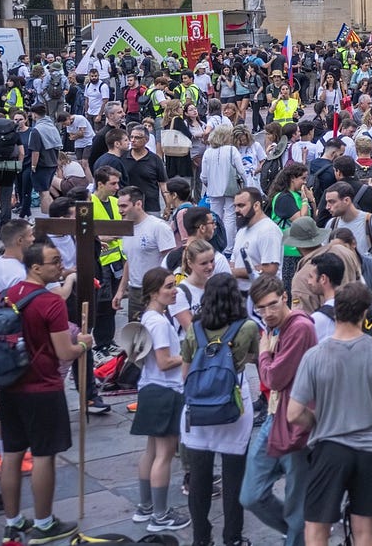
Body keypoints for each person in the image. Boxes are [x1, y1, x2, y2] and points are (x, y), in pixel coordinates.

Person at [289, 281, 372, 546]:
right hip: (371, 450)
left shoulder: (314, 356)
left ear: (336, 311)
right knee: (364, 528)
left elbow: (294, 413)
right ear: (365, 313)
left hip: (330, 448)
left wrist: (318, 422)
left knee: (316, 527)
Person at [0, 241, 92, 544]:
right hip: (43, 388)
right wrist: (85, 344)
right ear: (35, 267)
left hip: (10, 385)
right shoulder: (51, 302)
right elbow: (64, 351)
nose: (60, 265)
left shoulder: (6, 296)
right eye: (53, 262)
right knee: (43, 456)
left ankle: (12, 522)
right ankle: (44, 522)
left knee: (11, 453)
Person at [181, 272, 258, 546]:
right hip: (234, 405)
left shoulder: (195, 328)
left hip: (198, 406)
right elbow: (258, 360)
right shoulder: (247, 327)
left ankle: (201, 538)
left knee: (199, 478)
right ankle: (232, 536)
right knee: (233, 477)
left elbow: (185, 370)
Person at [241, 273, 316, 546]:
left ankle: (300, 535)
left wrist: (262, 352)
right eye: (260, 308)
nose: (267, 313)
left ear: (285, 297)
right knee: (250, 495)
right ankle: (304, 534)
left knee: (298, 506)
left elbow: (273, 378)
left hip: (297, 424)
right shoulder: (273, 328)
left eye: (272, 305)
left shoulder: (299, 327)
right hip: (276, 417)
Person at [130, 267, 190, 533]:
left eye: (173, 285)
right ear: (154, 292)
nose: (174, 290)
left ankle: (145, 508)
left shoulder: (150, 317)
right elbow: (165, 362)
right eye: (168, 286)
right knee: (164, 455)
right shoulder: (159, 322)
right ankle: (160, 515)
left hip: (149, 389)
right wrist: (189, 355)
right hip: (165, 390)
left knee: (151, 451)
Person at [114, 185, 177, 321]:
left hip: (156, 290)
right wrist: (120, 290)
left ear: (138, 204)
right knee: (136, 336)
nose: (120, 211)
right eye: (119, 206)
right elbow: (130, 261)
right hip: (135, 292)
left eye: (124, 206)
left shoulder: (158, 227)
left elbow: (171, 261)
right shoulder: (126, 229)